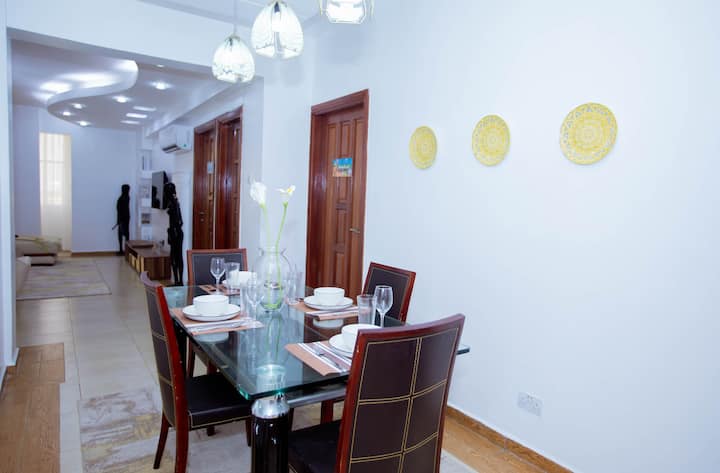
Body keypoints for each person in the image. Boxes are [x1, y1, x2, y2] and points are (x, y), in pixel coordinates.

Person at [164, 182, 184, 286]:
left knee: (175, 257)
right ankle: (178, 281)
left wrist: (171, 231)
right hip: (176, 232)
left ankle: (178, 281)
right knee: (177, 257)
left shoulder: (173, 203)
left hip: (175, 233)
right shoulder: (175, 202)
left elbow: (179, 221)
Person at [115, 184, 130, 255]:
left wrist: (119, 220)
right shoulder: (126, 198)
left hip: (123, 218)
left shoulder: (123, 198)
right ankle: (124, 250)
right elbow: (119, 210)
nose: (129, 191)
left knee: (122, 234)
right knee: (124, 234)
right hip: (124, 218)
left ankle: (124, 250)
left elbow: (120, 210)